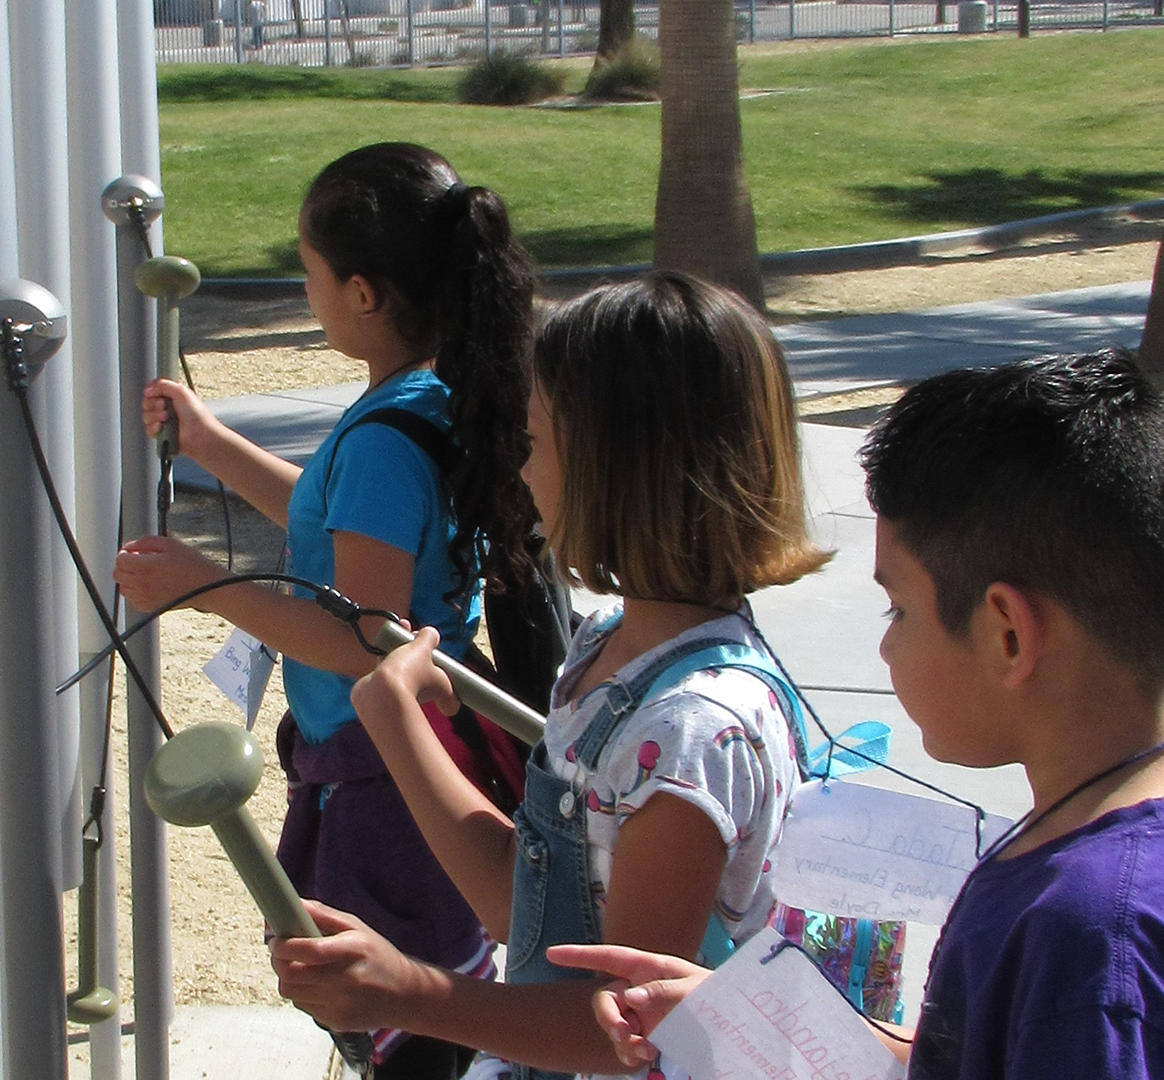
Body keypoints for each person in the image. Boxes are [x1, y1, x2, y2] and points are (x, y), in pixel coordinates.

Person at [552, 349, 1164, 1080]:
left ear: (1007, 634)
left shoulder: (1093, 947)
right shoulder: (1159, 829)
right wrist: (746, 1024)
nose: (885, 644)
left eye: (898, 607)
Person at [268, 271, 831, 1080]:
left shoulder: (693, 733)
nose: (520, 471)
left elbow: (627, 1031)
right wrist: (396, 722)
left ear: (616, 467)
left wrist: (412, 994)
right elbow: (526, 911)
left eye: (534, 442)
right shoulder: (607, 650)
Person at [114, 142, 539, 1080]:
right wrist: (214, 443)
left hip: (383, 768)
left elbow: (365, 638)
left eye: (308, 273)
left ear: (362, 293)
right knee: (410, 1003)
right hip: (409, 748)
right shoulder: (421, 396)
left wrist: (205, 583)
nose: (304, 292)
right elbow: (334, 521)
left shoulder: (387, 437)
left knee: (404, 1017)